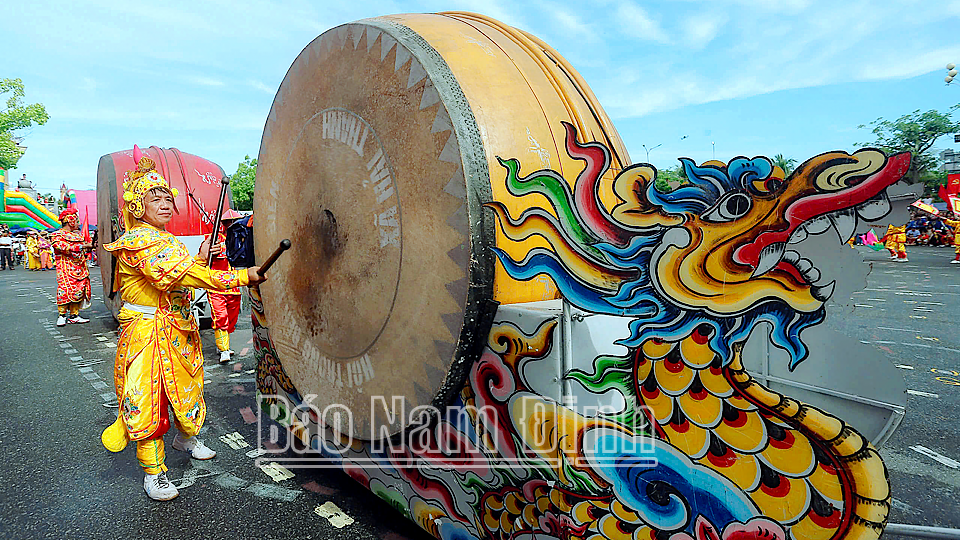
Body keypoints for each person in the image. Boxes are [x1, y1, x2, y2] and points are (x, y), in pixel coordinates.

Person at [99, 148, 266, 501]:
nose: (163, 204)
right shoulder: (136, 241)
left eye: (166, 198)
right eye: (153, 198)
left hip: (177, 330)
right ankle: (154, 473)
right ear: (137, 206)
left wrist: (197, 257)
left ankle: (185, 437)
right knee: (149, 399)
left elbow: (182, 269)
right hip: (147, 334)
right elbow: (175, 275)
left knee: (188, 389)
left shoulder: (168, 240)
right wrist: (239, 276)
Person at [207, 209, 245, 363]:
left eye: (235, 223)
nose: (232, 225)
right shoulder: (213, 240)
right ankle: (224, 350)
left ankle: (224, 344)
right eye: (229, 223)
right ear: (223, 225)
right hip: (216, 287)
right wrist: (211, 251)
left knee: (231, 319)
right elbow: (204, 258)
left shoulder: (241, 241)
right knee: (220, 317)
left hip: (234, 287)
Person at [51, 208, 93, 326]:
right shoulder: (57, 235)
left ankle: (74, 315)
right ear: (70, 220)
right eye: (76, 219)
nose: (78, 222)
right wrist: (81, 247)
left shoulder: (78, 236)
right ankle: (62, 315)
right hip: (66, 268)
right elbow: (61, 246)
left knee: (79, 290)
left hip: (80, 267)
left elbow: (82, 251)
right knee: (65, 290)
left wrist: (88, 248)